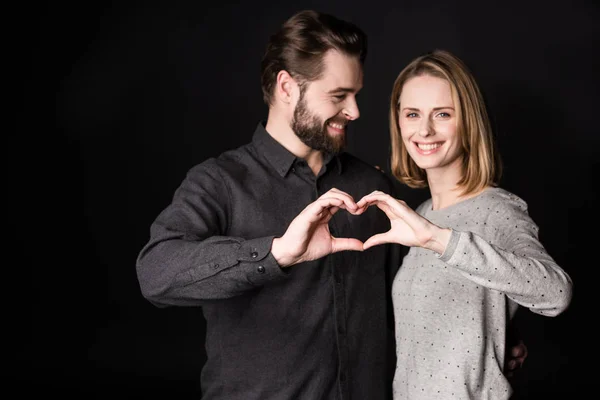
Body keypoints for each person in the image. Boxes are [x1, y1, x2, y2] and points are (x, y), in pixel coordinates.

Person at [136, 11, 526, 399]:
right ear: (287, 87)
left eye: (355, 94)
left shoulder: (371, 186)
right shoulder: (219, 182)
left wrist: (485, 341)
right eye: (339, 96)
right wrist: (277, 253)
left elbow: (406, 296)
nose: (355, 111)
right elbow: (155, 274)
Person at [355, 49, 573, 399]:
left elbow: (556, 294)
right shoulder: (421, 213)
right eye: (412, 114)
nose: (424, 130)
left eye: (442, 114)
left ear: (468, 120)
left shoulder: (497, 209)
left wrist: (441, 241)